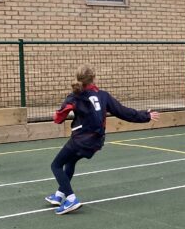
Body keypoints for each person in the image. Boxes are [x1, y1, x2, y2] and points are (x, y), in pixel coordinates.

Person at [46, 65, 159, 215]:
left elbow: (58, 119)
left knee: (56, 165)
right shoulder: (103, 95)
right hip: (97, 141)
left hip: (80, 140)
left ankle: (71, 199)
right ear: (94, 78)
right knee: (70, 161)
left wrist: (60, 112)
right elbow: (123, 112)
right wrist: (145, 115)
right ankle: (59, 195)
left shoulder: (74, 97)